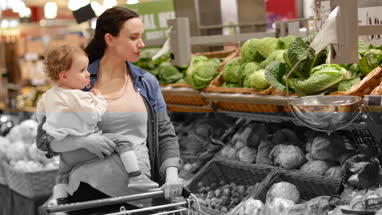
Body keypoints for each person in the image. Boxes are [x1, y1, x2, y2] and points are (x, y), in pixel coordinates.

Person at [36, 6, 183, 214]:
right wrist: (83, 141)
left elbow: (165, 133)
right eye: (133, 37)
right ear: (110, 39)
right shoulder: (79, 79)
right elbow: (44, 139)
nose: (141, 44)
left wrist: (171, 175)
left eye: (141, 37)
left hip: (140, 197)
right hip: (88, 195)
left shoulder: (147, 82)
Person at [36, 45, 158, 208]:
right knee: (123, 142)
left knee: (63, 175)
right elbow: (92, 115)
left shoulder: (47, 95)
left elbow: (41, 119)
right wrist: (99, 99)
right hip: (89, 150)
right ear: (64, 75)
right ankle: (136, 175)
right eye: (82, 70)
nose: (88, 74)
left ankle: (61, 204)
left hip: (67, 151)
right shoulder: (78, 96)